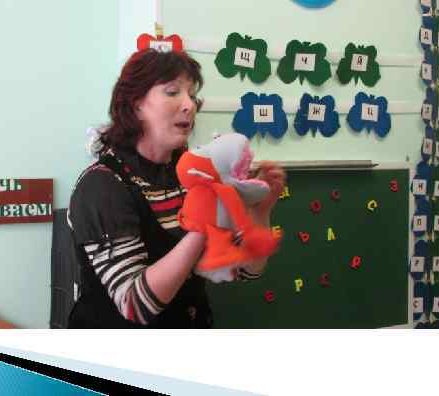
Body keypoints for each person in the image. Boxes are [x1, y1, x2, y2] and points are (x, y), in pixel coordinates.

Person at [66, 49, 285, 328]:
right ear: (135, 105)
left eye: (192, 95)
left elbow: (245, 271)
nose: (189, 105)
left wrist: (260, 213)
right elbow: (134, 305)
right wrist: (203, 225)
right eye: (172, 92)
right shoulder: (102, 185)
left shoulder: (192, 174)